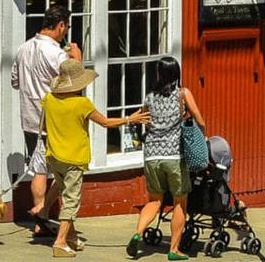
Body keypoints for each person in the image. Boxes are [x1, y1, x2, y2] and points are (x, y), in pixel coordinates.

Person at [39, 58, 149, 257]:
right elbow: (105, 123)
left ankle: (70, 237)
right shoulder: (82, 103)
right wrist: (129, 119)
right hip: (74, 158)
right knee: (71, 201)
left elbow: (44, 128)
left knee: (65, 194)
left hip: (54, 156)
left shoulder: (48, 99)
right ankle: (60, 241)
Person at [129, 56, 208, 261]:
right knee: (180, 202)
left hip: (151, 156)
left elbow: (144, 120)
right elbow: (199, 118)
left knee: (155, 200)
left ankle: (138, 232)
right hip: (174, 156)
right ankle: (174, 250)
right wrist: (203, 136)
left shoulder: (149, 97)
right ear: (176, 74)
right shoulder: (182, 94)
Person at [14, 4, 82, 236]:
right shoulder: (56, 53)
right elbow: (75, 83)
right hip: (53, 119)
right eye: (66, 27)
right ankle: (44, 217)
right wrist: (77, 59)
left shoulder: (23, 49)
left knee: (38, 169)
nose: (66, 32)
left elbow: (15, 82)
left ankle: (40, 221)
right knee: (66, 169)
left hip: (29, 117)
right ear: (61, 25)